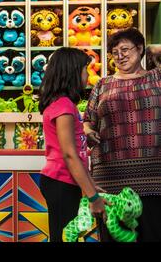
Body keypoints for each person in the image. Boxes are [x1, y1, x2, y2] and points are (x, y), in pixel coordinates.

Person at [84, 28, 161, 242]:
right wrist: (89, 132)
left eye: (125, 49)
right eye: (114, 52)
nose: (120, 56)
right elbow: (87, 122)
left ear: (140, 49)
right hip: (110, 178)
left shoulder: (157, 77)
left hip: (154, 177)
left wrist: (153, 49)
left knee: (153, 233)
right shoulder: (102, 84)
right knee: (116, 236)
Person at [38, 47, 107, 242]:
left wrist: (91, 186)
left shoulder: (63, 103)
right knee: (63, 238)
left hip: (63, 182)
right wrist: (93, 198)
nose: (88, 75)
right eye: (86, 69)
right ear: (73, 72)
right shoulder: (64, 106)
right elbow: (69, 155)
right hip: (61, 182)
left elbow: (73, 150)